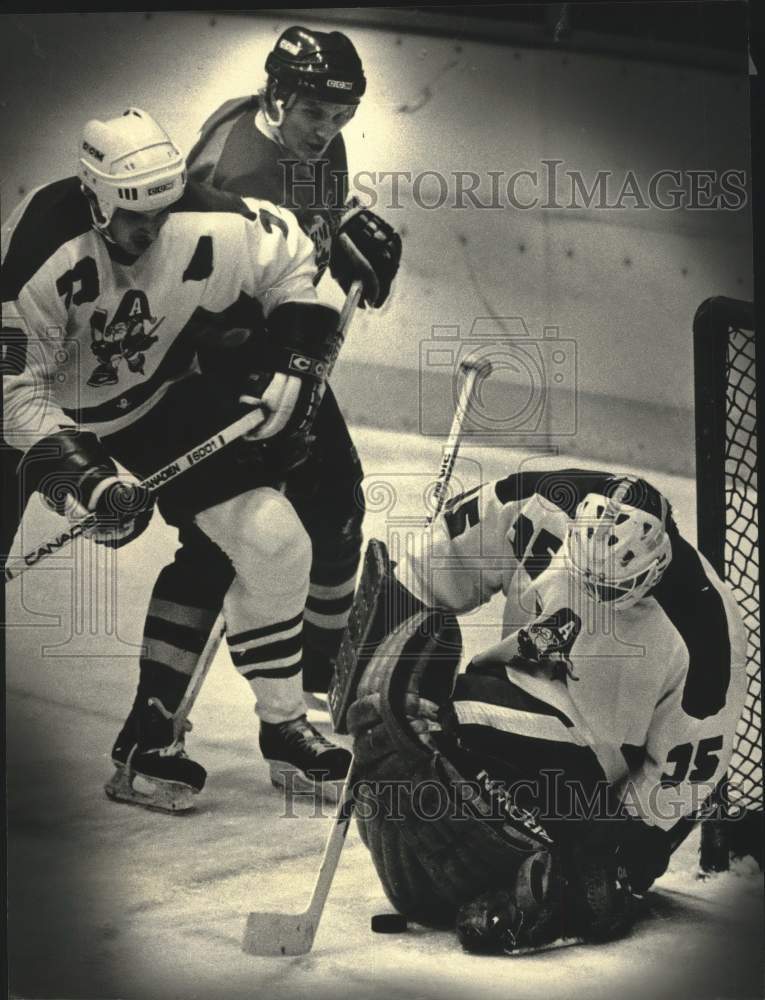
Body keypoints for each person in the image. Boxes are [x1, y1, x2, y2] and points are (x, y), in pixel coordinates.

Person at [1, 106, 353, 812]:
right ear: (94, 196)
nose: (152, 228)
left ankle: (281, 725)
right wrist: (91, 483)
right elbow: (13, 395)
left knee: (276, 540)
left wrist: (293, 357)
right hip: (38, 418)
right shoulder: (43, 248)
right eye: (133, 215)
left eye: (161, 211)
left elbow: (293, 263)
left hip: (151, 403)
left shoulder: (203, 217)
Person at [341, 468, 748, 951]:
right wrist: (383, 636)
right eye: (585, 575)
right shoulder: (541, 503)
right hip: (509, 700)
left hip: (595, 773)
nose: (595, 595)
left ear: (656, 568)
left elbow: (680, 782)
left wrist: (609, 864)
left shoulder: (707, 633)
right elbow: (435, 565)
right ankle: (483, 863)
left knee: (432, 727)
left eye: (615, 590)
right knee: (401, 725)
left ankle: (533, 855)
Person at [129, 25, 401, 733]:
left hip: (283, 357)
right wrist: (262, 382)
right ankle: (151, 726)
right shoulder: (235, 174)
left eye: (341, 116)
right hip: (207, 374)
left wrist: (340, 240)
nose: (329, 130)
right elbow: (188, 303)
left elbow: (298, 235)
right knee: (222, 544)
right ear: (277, 96)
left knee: (337, 506)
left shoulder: (307, 139)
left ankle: (321, 680)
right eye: (316, 113)